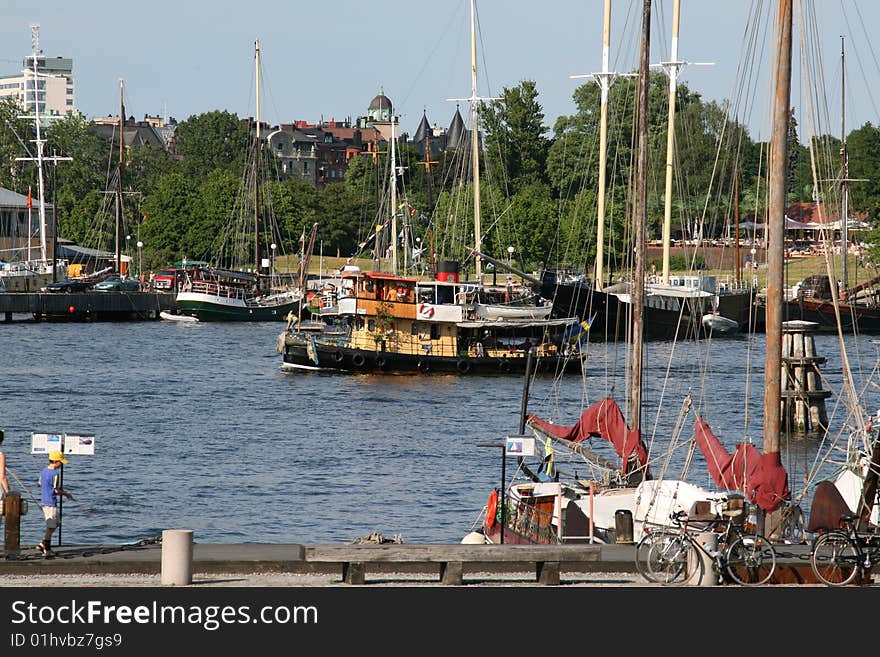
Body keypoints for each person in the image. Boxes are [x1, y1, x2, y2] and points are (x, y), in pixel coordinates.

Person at [37, 451, 73, 558]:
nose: (61, 465)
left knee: (56, 524)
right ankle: (46, 549)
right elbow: (56, 490)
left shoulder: (44, 471)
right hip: (51, 503)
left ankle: (42, 544)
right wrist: (66, 494)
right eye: (60, 463)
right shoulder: (55, 474)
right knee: (51, 526)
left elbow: (39, 483)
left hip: (44, 501)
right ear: (56, 462)